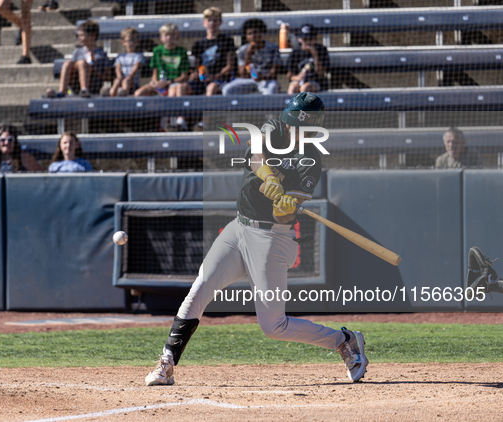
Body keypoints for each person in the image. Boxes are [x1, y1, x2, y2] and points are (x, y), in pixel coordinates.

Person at [145, 92, 368, 386]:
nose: (290, 130)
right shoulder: (273, 127)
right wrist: (270, 177)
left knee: (274, 326)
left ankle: (344, 340)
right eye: (289, 123)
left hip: (271, 238)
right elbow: (255, 157)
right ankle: (167, 363)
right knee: (200, 288)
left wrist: (284, 205)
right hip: (239, 228)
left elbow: (285, 218)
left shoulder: (311, 161)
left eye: (298, 127)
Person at [177, 7, 235, 97]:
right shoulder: (198, 44)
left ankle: (207, 111)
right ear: (204, 23)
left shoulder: (227, 41)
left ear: (220, 22)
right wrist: (195, 74)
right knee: (181, 88)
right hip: (201, 79)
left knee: (211, 88)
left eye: (215, 20)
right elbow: (195, 65)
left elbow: (229, 66)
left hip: (219, 79)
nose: (212, 23)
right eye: (209, 20)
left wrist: (214, 76)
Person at [46, 20, 113, 98]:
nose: (79, 38)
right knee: (68, 63)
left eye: (82, 35)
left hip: (94, 84)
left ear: (92, 36)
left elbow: (108, 77)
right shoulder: (77, 52)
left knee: (82, 63)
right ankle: (62, 92)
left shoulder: (101, 54)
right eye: (78, 36)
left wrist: (93, 69)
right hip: (76, 84)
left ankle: (85, 90)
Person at [221, 19, 281, 96]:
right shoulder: (242, 50)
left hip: (267, 80)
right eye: (249, 34)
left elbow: (274, 72)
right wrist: (248, 55)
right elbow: (243, 74)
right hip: (248, 80)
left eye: (255, 32)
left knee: (272, 89)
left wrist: (263, 77)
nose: (253, 36)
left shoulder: (273, 48)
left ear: (262, 33)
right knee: (227, 89)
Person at [134, 23, 189, 97]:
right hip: (159, 83)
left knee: (172, 94)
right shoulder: (157, 50)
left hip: (174, 83)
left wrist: (168, 82)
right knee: (139, 93)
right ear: (161, 37)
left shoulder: (181, 52)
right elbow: (154, 73)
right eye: (166, 35)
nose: (169, 37)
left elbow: (184, 76)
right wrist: (154, 82)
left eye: (172, 35)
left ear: (177, 37)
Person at [287, 24, 329, 94]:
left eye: (310, 39)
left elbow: (321, 74)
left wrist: (315, 56)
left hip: (316, 81)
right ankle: (291, 105)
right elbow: (289, 75)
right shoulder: (295, 52)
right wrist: (297, 77)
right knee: (293, 87)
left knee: (305, 88)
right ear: (299, 39)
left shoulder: (321, 50)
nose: (308, 42)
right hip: (299, 81)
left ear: (315, 39)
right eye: (305, 39)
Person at [108, 27, 144, 97]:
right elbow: (117, 67)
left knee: (126, 81)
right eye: (130, 40)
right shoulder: (120, 56)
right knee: (117, 81)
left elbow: (135, 68)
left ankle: (124, 97)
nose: (132, 43)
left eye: (135, 40)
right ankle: (110, 96)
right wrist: (119, 77)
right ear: (123, 42)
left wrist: (129, 77)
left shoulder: (139, 56)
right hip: (121, 80)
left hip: (132, 83)